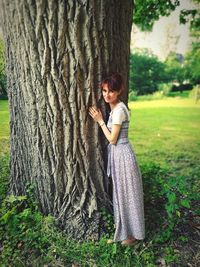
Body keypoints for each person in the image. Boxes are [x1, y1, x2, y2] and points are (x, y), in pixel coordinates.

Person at [89, 72, 145, 246]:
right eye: (105, 90)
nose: (107, 94)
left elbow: (113, 139)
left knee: (128, 195)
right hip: (118, 155)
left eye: (111, 91)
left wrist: (100, 121)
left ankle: (134, 235)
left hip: (123, 155)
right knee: (121, 195)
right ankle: (125, 231)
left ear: (119, 90)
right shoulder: (114, 108)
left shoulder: (120, 110)